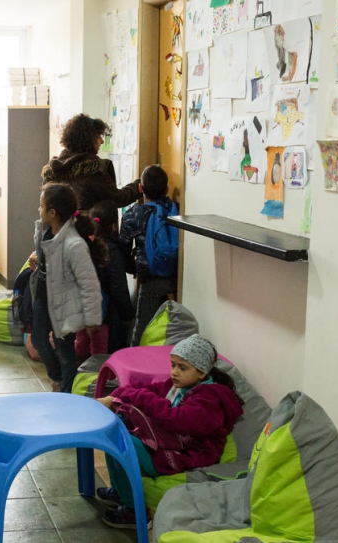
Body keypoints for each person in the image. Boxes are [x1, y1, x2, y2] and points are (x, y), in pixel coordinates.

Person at [94, 334, 243, 529]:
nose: (174, 372)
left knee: (122, 443)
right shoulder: (178, 385)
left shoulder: (209, 400)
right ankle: (121, 490)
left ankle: (134, 512)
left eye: (182, 367)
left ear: (201, 372)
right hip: (170, 442)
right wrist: (117, 396)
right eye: (173, 365)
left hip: (186, 454)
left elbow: (175, 420)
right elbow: (143, 389)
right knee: (117, 427)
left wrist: (134, 398)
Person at [28, 183, 103, 393]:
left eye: (41, 206)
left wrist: (92, 318)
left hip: (64, 307)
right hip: (44, 297)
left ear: (52, 212)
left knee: (65, 353)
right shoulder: (45, 232)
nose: (38, 210)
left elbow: (89, 284)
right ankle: (58, 378)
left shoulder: (74, 244)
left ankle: (67, 394)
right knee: (38, 340)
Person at [120, 165, 177, 346]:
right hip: (175, 278)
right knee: (171, 329)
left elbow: (123, 249)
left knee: (141, 329)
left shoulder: (133, 215)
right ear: (166, 190)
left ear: (140, 189)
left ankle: (132, 368)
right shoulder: (173, 210)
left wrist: (134, 268)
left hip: (149, 279)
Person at [41, 113, 141, 211]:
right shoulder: (93, 169)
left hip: (61, 227)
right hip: (87, 226)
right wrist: (140, 185)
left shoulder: (53, 169)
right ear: (87, 139)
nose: (101, 141)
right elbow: (118, 198)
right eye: (98, 136)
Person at [76, 201, 135, 358]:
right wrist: (127, 315)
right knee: (100, 346)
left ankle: (78, 371)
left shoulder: (85, 244)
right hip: (104, 311)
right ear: (114, 226)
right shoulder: (111, 249)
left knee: (82, 342)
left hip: (82, 306)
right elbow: (118, 286)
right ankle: (97, 375)